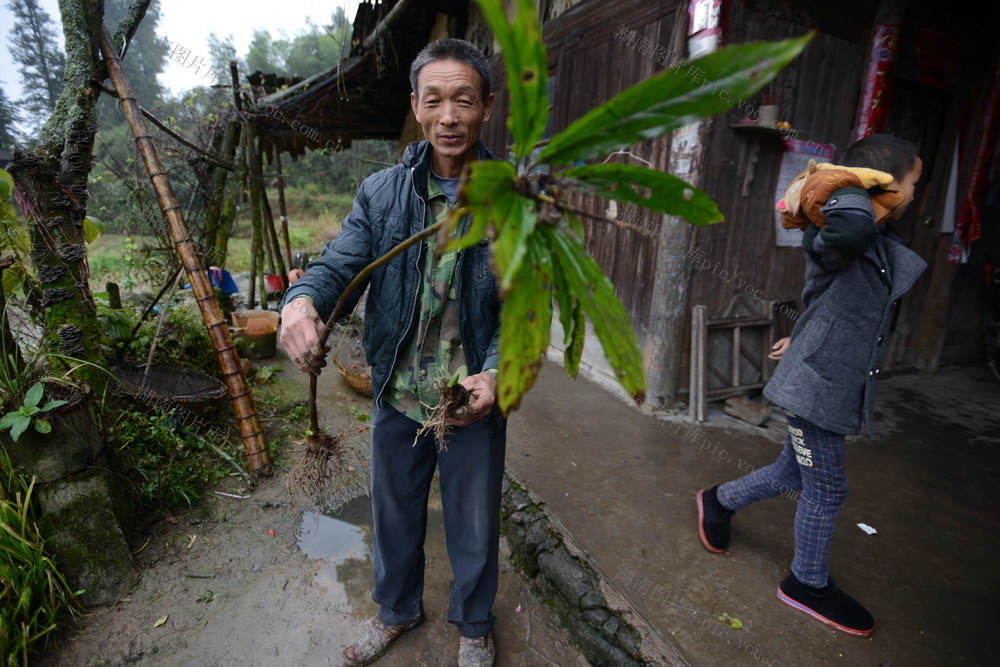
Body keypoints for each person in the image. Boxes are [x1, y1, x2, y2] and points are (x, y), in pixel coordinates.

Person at [279, 38, 504, 667]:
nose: (449, 116)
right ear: (417, 106)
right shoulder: (381, 194)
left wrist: (495, 375)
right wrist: (300, 302)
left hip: (470, 400)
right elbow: (338, 266)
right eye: (434, 100)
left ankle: (475, 628)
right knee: (395, 517)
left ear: (486, 106)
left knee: (474, 524)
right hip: (399, 393)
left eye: (464, 100)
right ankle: (397, 612)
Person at [696, 134, 927, 637]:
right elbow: (841, 239)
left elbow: (831, 301)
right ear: (878, 187)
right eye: (912, 183)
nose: (914, 193)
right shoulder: (837, 234)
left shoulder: (880, 243)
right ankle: (807, 582)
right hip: (815, 389)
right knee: (827, 488)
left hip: (827, 380)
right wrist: (846, 186)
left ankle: (718, 500)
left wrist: (798, 337)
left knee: (793, 471)